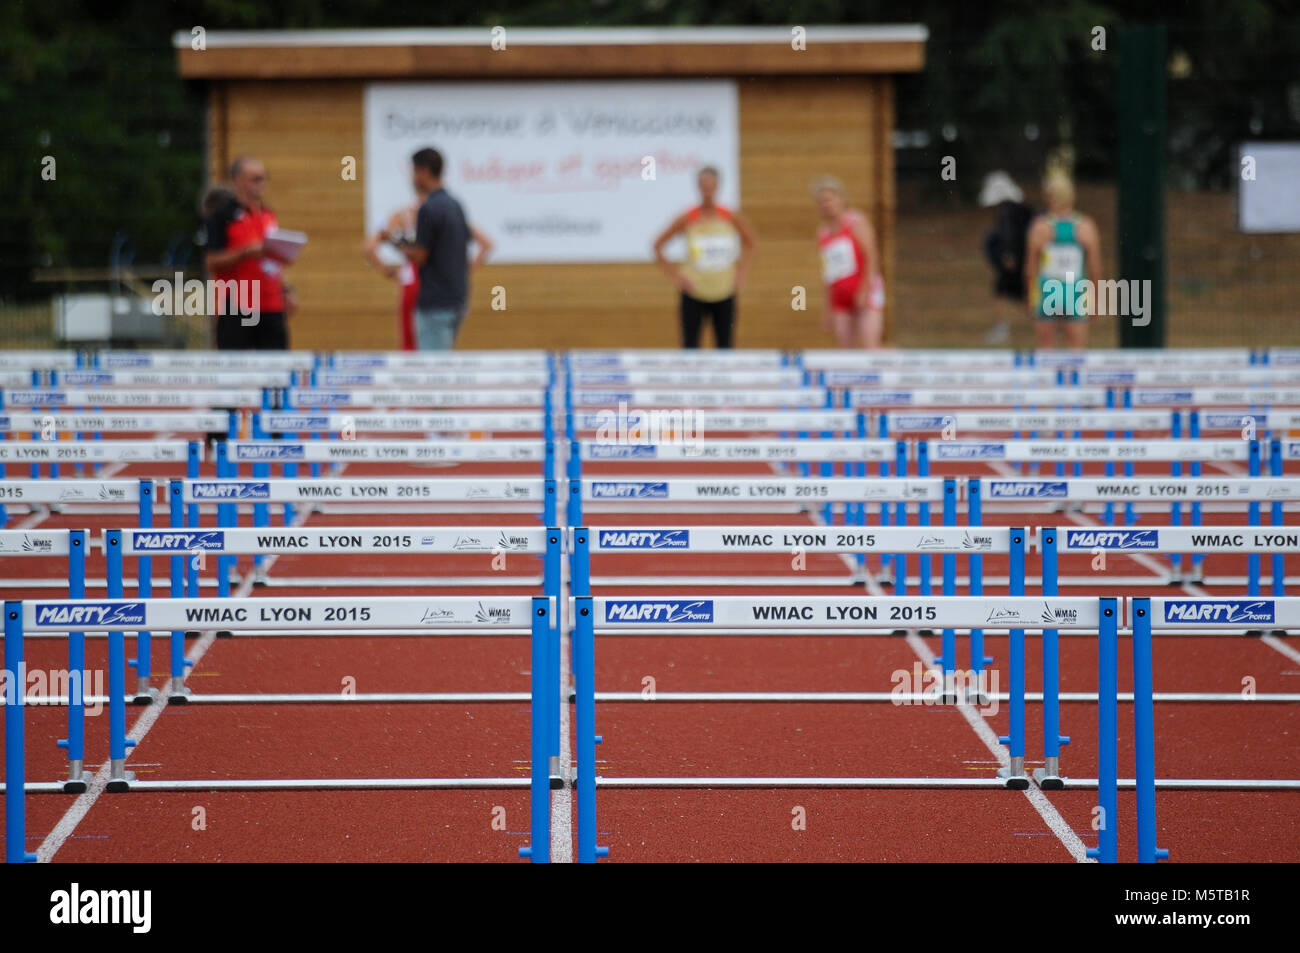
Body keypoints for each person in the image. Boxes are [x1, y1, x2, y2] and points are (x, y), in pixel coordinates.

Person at [385, 148, 492, 351]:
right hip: (457, 300)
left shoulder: (428, 209)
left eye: (414, 172)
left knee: (433, 367)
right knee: (442, 360)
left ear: (424, 171)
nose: (412, 179)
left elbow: (419, 256)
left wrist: (394, 241)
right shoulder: (455, 205)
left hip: (435, 303)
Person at [652, 166, 756, 349]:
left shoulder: (729, 217)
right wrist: (676, 276)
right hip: (694, 291)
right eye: (704, 186)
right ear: (698, 187)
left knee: (725, 346)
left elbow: (751, 243)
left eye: (711, 186)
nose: (708, 191)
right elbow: (658, 245)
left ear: (717, 187)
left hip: (724, 290)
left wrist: (742, 273)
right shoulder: (688, 218)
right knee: (691, 347)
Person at [201, 157, 294, 349]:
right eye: (255, 179)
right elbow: (211, 261)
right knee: (235, 364)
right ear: (238, 180)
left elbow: (273, 262)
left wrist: (287, 290)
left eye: (264, 178)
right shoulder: (222, 215)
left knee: (276, 365)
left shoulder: (267, 214)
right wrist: (245, 253)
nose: (262, 184)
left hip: (271, 304)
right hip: (237, 304)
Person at [1024, 170, 1102, 350]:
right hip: (1075, 291)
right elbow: (1094, 269)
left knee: (1046, 349)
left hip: (1047, 290)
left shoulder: (1040, 228)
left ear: (1049, 196)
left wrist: (1030, 297)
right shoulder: (1086, 227)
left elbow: (1030, 270)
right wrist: (1095, 299)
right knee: (1076, 350)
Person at [812, 176, 885, 349]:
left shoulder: (855, 222)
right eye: (821, 202)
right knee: (844, 348)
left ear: (841, 199)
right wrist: (828, 307)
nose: (826, 205)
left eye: (829, 200)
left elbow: (871, 256)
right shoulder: (823, 233)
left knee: (869, 344)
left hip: (864, 289)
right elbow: (828, 272)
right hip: (841, 295)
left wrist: (864, 290)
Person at [979, 171, 1035, 345]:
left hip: (1014, 261)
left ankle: (1003, 328)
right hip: (1024, 258)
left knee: (1005, 292)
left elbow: (1009, 234)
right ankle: (1045, 324)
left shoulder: (1007, 212)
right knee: (1020, 295)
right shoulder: (1022, 210)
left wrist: (1008, 255)